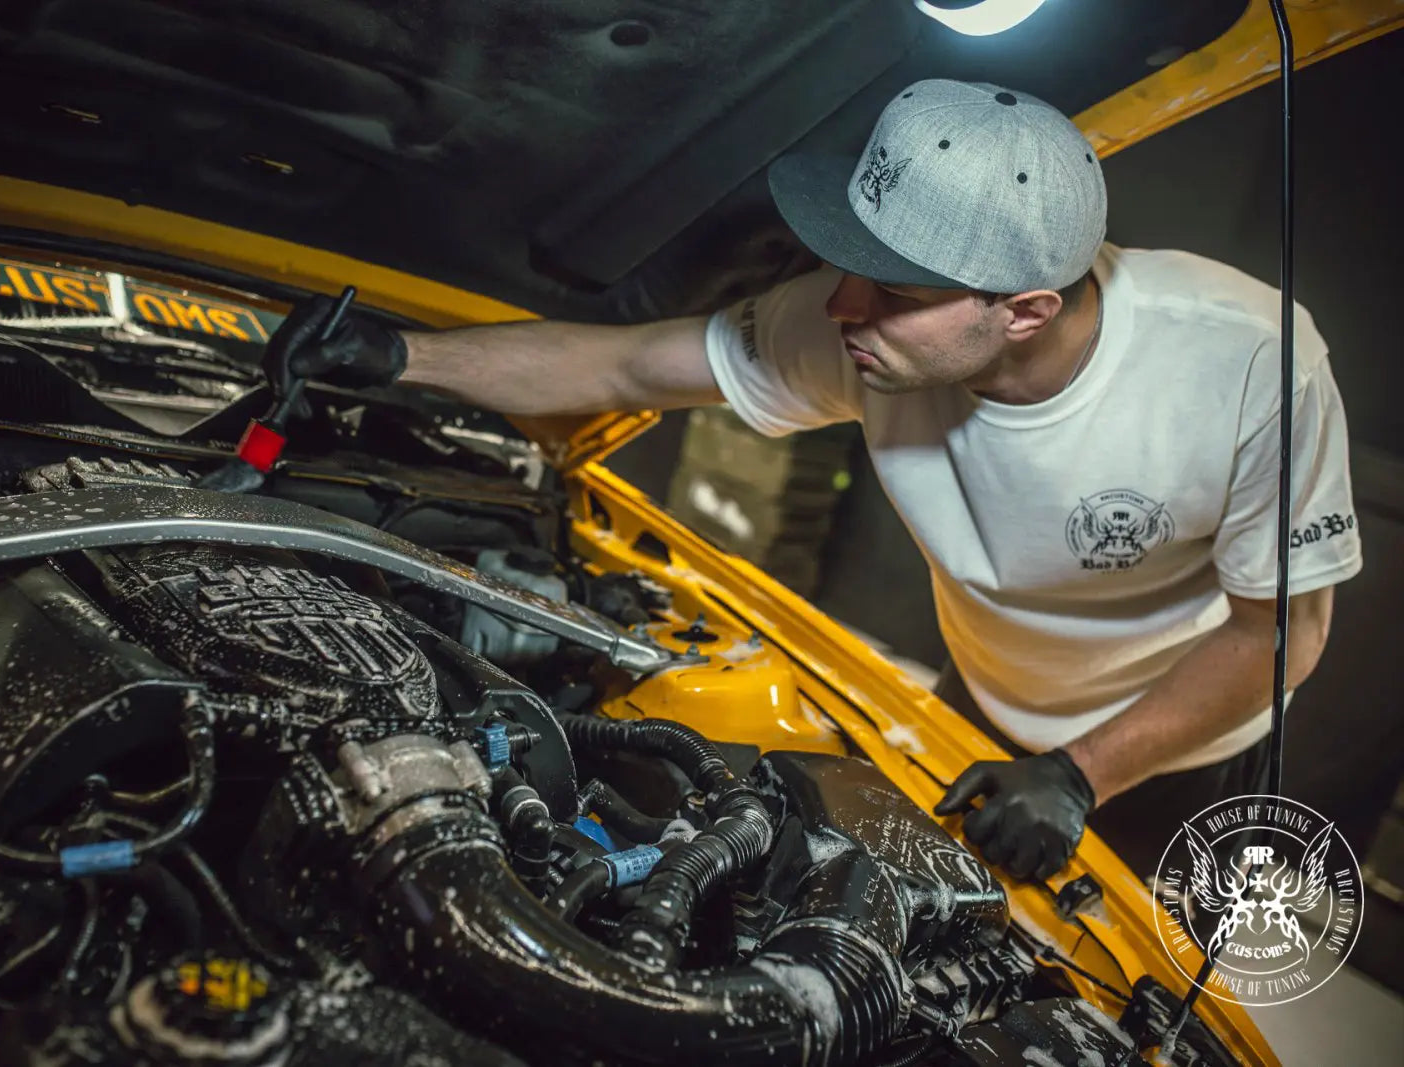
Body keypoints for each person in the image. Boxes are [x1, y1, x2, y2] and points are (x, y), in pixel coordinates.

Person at [282, 79, 1363, 882]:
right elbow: (624, 366)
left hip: (1176, 745)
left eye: (893, 289)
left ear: (1025, 310)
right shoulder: (862, 329)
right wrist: (400, 356)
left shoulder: (1250, 363)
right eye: (852, 263)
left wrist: (1081, 772)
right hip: (983, 696)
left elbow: (1279, 631)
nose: (843, 305)